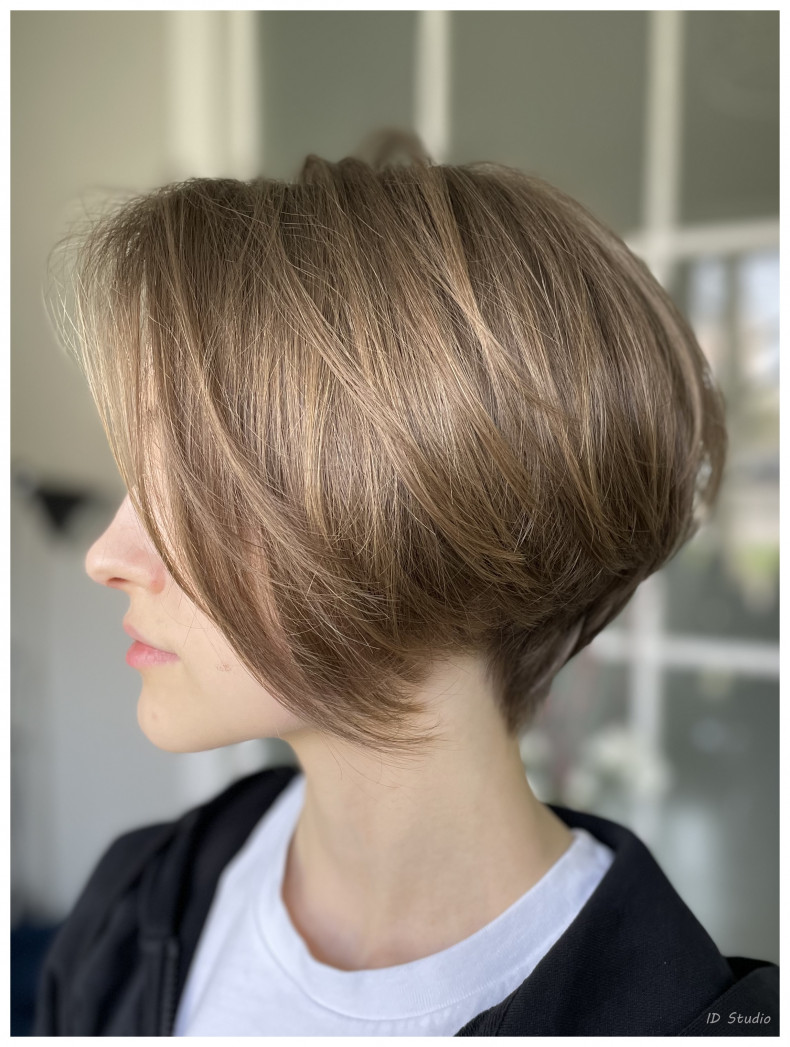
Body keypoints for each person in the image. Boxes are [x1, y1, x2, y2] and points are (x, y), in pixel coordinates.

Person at [34, 132, 778, 1036]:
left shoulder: (678, 1019)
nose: (107, 555)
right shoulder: (139, 902)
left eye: (191, 486)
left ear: (427, 509)